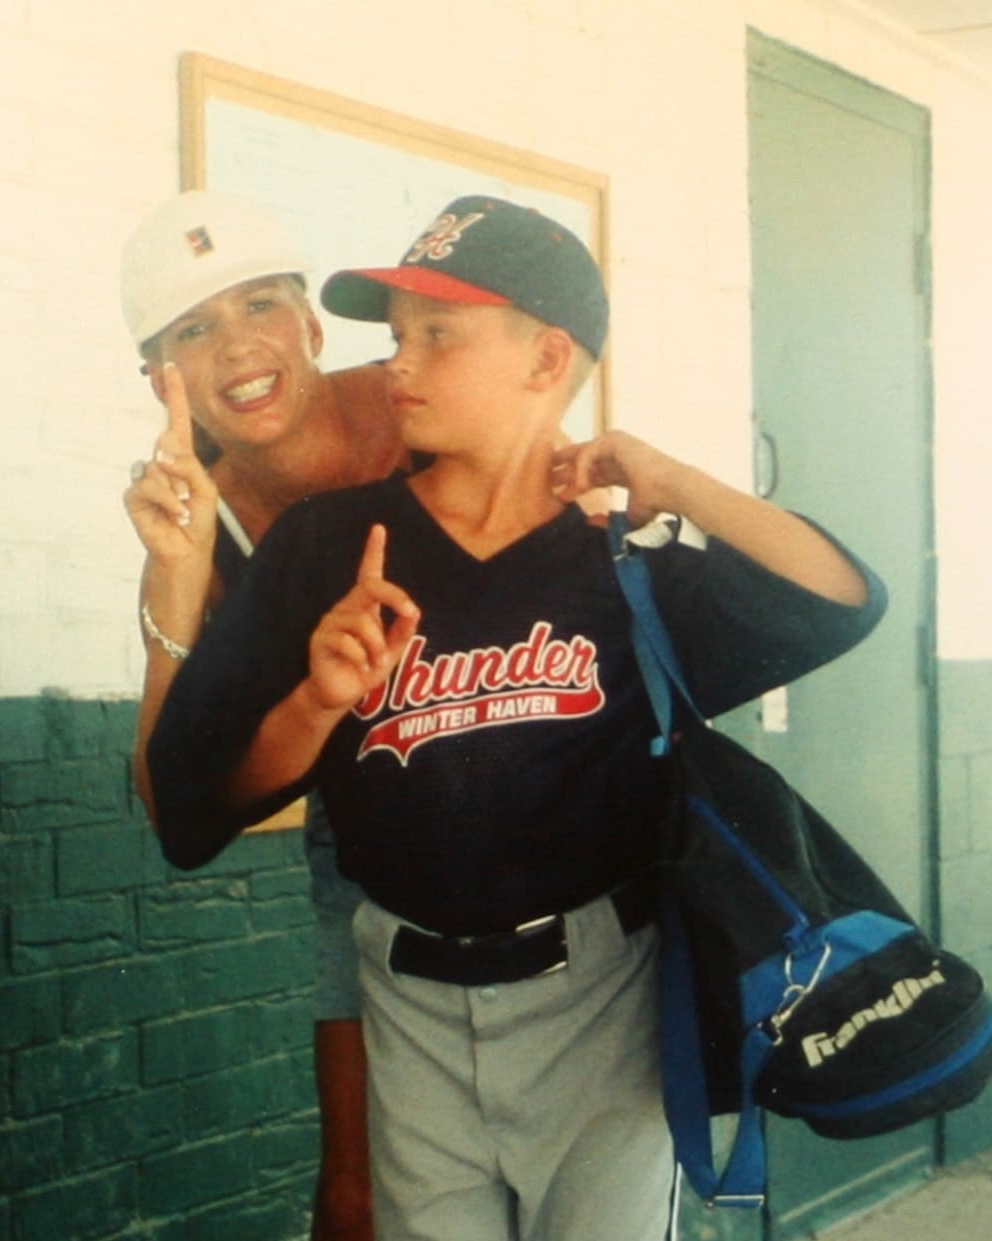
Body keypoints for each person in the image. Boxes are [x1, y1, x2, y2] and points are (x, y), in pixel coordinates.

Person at [146, 195, 886, 1239]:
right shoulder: (324, 547)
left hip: (605, 1005)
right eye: (396, 336)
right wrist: (318, 699)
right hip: (407, 1009)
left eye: (437, 335)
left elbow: (841, 598)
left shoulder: (618, 562)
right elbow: (192, 808)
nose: (399, 363)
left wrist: (667, 476)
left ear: (547, 361)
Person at [117, 189, 405, 1239]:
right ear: (163, 377)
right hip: (370, 843)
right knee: (352, 1200)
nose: (237, 345)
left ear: (312, 323)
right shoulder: (201, 516)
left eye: (260, 305)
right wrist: (176, 581)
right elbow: (174, 809)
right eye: (194, 328)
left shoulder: (416, 407)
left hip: (546, 823)